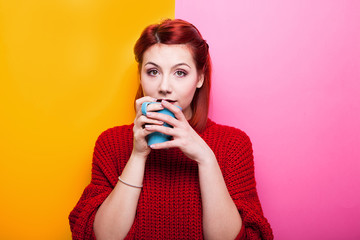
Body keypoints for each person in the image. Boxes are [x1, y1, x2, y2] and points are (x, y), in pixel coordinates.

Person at [69, 19, 273, 240]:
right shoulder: (111, 143)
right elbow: (103, 237)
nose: (164, 87)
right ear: (140, 75)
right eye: (153, 72)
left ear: (200, 77)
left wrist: (205, 158)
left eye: (180, 73)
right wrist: (138, 155)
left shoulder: (233, 144)